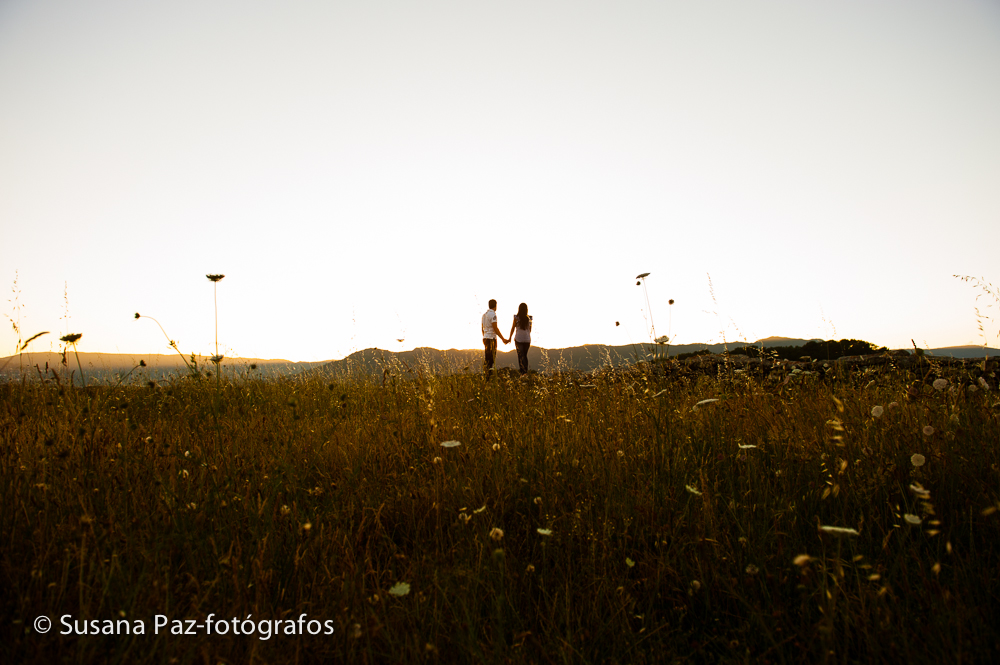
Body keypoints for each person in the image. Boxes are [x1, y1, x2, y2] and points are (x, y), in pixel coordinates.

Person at [481, 299, 508, 379]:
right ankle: (489, 377)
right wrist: (503, 339)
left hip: (485, 338)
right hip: (491, 338)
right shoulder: (493, 315)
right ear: (495, 305)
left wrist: (484, 336)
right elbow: (495, 328)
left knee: (487, 358)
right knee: (491, 359)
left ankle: (486, 376)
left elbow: (482, 328)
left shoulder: (484, 315)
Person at [508, 302, 532, 376]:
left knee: (520, 356)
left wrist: (510, 338)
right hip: (527, 339)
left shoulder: (516, 318)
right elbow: (530, 330)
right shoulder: (529, 318)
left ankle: (522, 373)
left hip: (519, 339)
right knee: (525, 355)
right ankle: (525, 372)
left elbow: (513, 328)